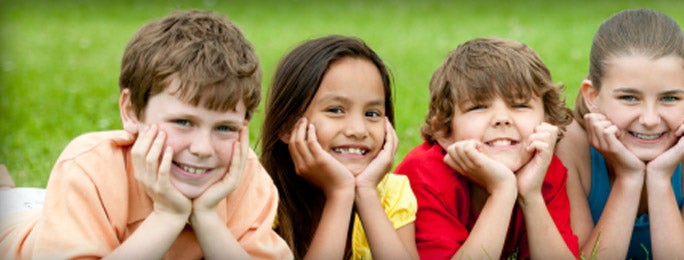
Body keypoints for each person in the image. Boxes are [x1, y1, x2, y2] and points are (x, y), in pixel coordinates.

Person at [0, 10, 289, 259]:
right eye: (183, 122)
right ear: (131, 111)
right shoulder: (90, 166)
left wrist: (208, 217)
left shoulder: (247, 178)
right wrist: (168, 216)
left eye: (225, 128)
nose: (202, 149)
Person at [555, 8, 684, 259]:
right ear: (593, 96)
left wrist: (659, 179)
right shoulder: (569, 142)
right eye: (629, 98)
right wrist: (628, 178)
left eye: (669, 98)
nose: (649, 120)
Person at [394, 37, 578, 259]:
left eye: (520, 105)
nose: (502, 119)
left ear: (548, 123)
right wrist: (502, 190)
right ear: (444, 132)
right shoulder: (424, 173)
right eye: (478, 107)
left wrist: (531, 195)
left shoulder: (543, 170)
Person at [259, 35, 417, 259]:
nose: (358, 130)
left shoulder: (391, 193)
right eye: (336, 110)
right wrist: (340, 193)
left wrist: (366, 193)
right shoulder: (259, 195)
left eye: (372, 114)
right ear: (287, 125)